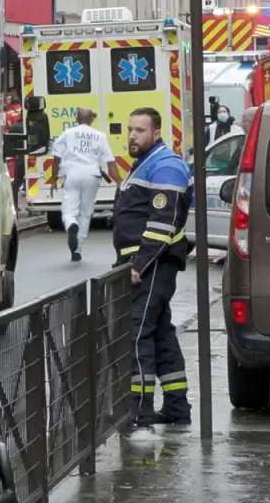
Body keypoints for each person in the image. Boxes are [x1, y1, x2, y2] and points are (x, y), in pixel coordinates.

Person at [112, 107, 192, 426]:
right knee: (160, 333)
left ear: (156, 133)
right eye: (130, 129)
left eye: (140, 130)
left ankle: (140, 410)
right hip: (148, 263)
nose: (132, 135)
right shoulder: (146, 164)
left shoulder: (165, 166)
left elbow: (163, 222)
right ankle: (176, 406)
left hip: (151, 264)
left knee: (136, 332)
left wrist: (139, 265)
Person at [48, 108, 119, 262]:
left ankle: (71, 224)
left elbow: (57, 157)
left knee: (69, 208)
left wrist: (54, 179)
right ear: (91, 120)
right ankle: (77, 250)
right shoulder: (100, 136)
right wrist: (120, 181)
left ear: (77, 118)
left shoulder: (67, 134)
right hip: (91, 175)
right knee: (86, 213)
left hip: (72, 174)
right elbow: (110, 162)